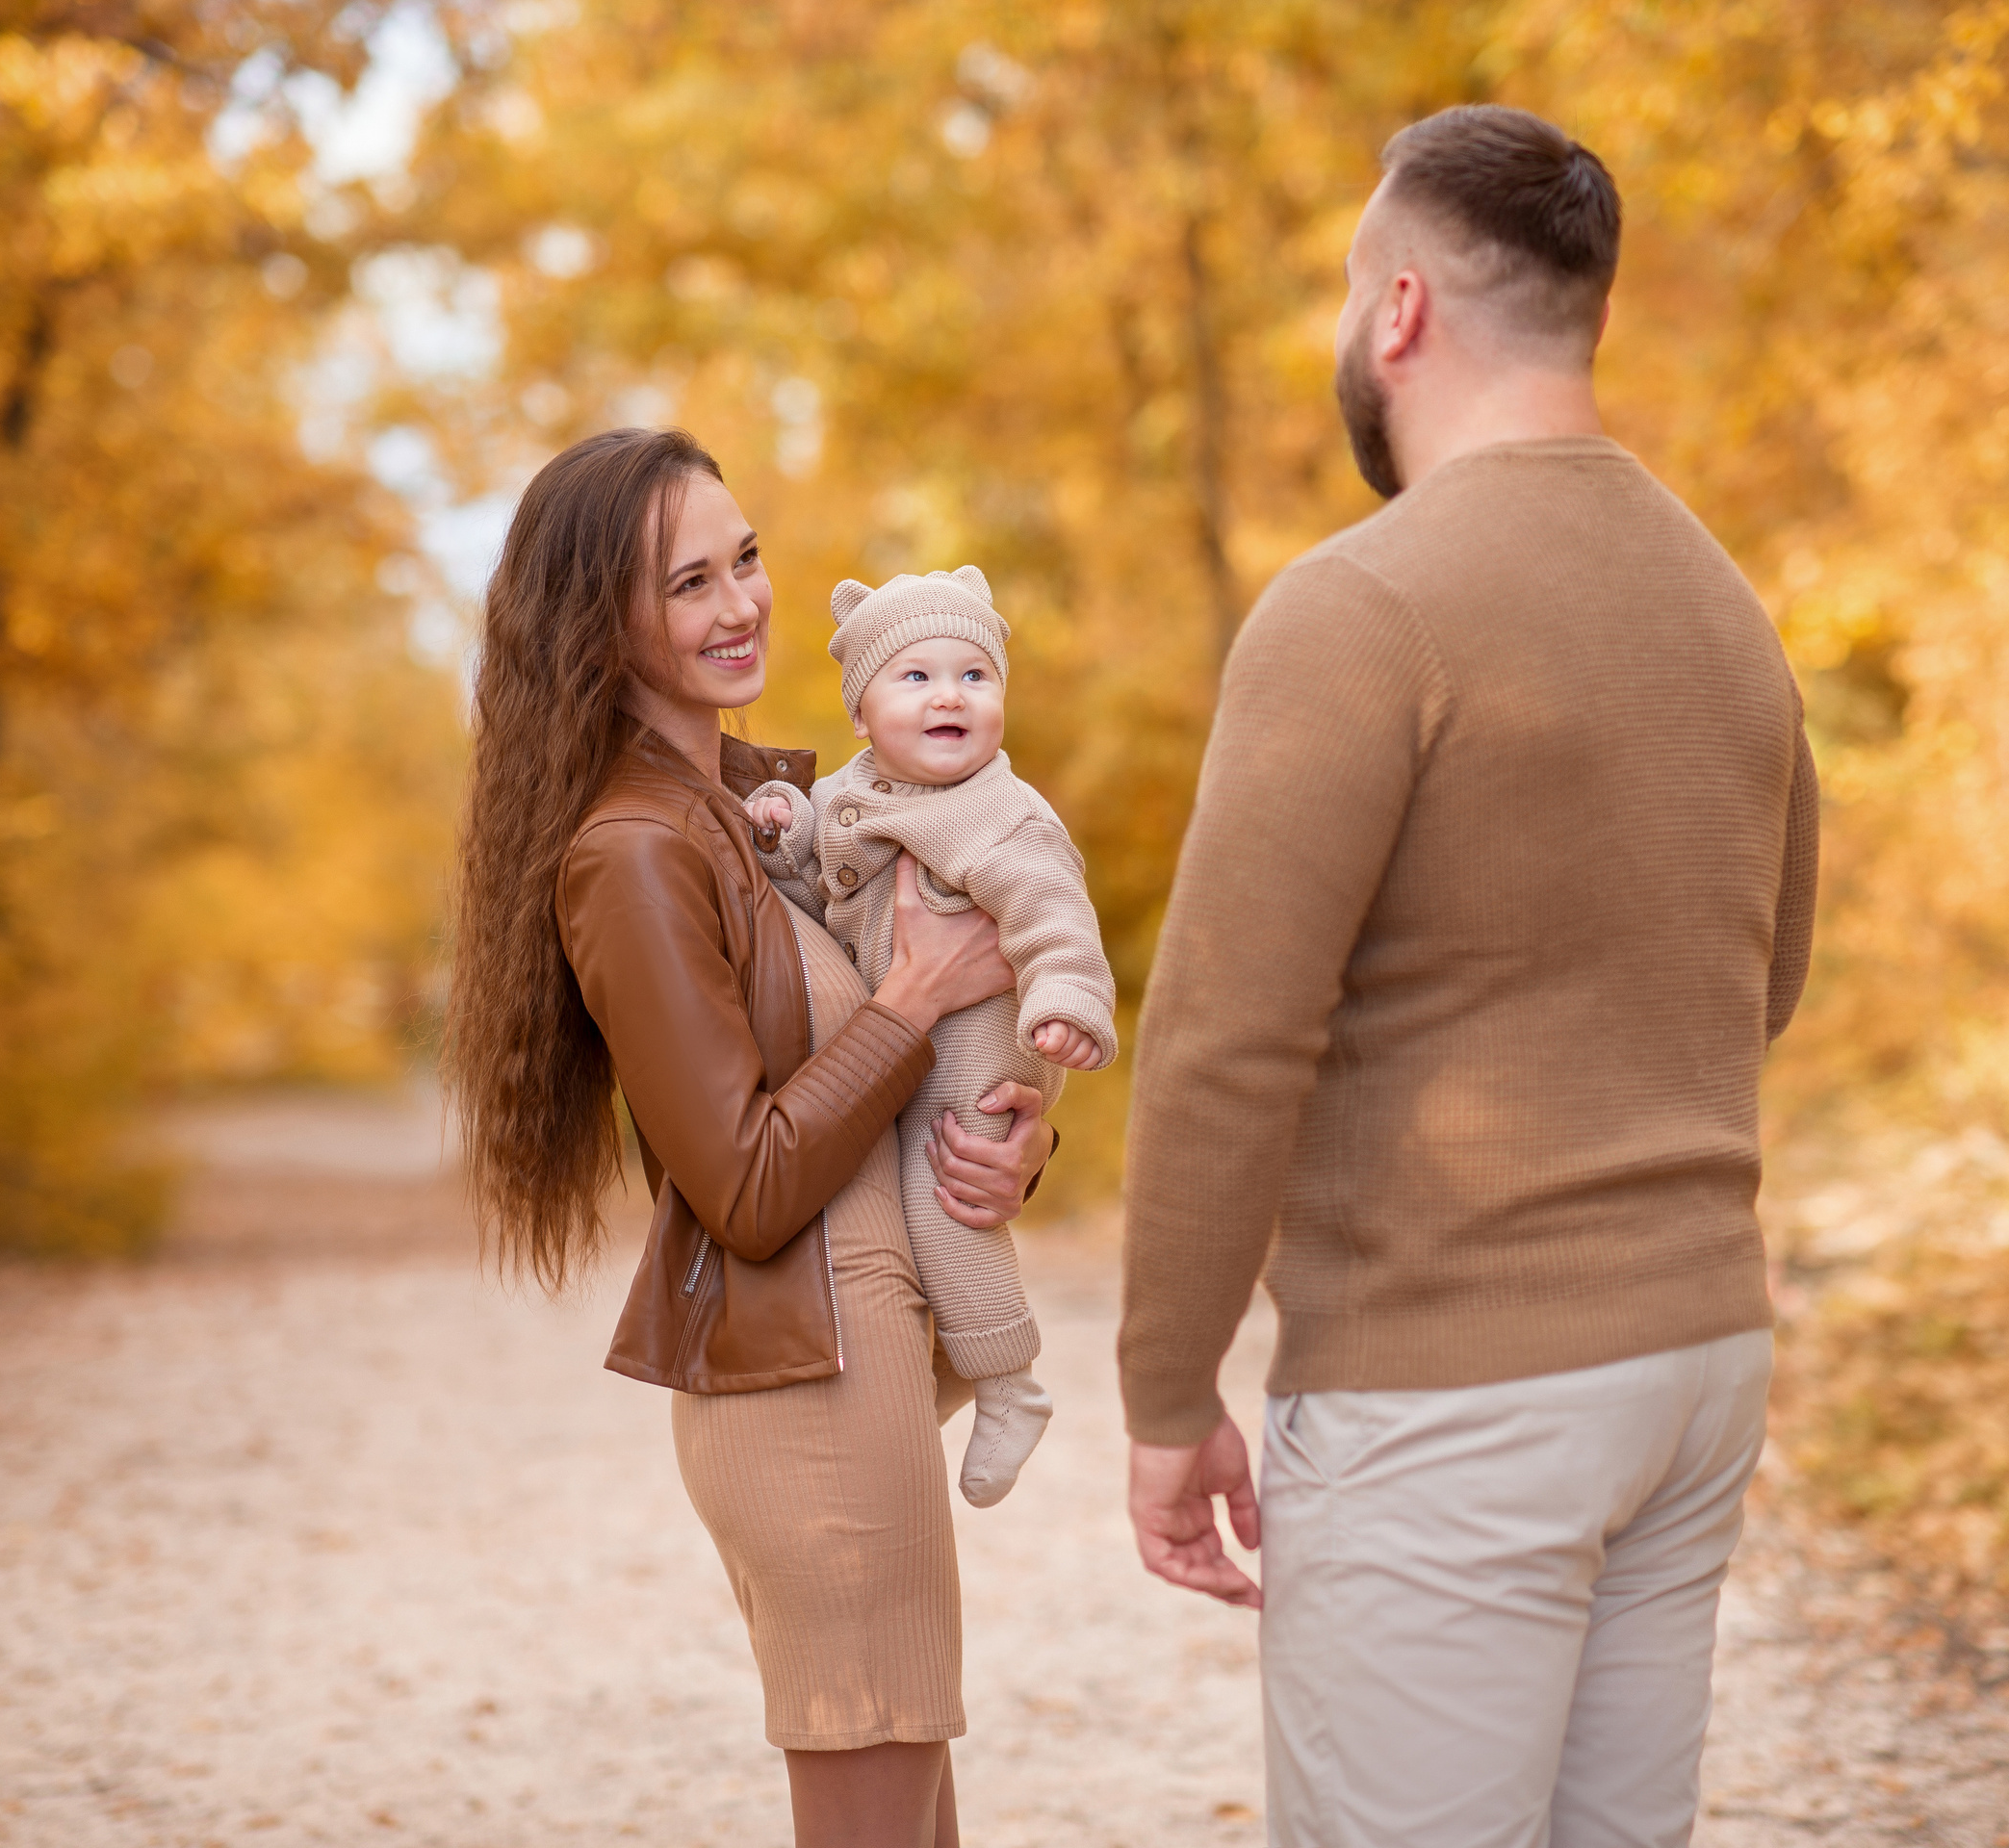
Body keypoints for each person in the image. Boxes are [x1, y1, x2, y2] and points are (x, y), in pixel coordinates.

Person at [1116, 105, 1820, 1847]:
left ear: (1404, 311)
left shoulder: (1361, 609)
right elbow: (1766, 975)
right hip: (1696, 1362)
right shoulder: (1729, 606)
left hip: (1449, 1391)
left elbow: (1224, 1042)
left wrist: (1164, 1390)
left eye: (1354, 287)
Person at [446, 426, 1056, 1848]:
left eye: (748, 560)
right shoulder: (634, 854)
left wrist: (1011, 1142)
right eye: (688, 584)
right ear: (602, 624)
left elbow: (904, 1072)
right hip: (803, 1381)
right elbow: (745, 1183)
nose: (741, 607)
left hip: (866, 1362)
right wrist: (911, 998)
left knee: (916, 1820)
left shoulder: (767, 813)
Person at [746, 564, 1117, 1509]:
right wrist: (782, 833)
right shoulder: (850, 793)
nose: (948, 694)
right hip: (896, 1050)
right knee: (906, 1220)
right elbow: (812, 889)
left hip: (979, 1057)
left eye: (973, 676)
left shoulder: (1003, 814)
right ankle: (945, 1374)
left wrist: (1068, 1002)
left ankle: (1008, 1385)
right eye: (915, 677)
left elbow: (1056, 919)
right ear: (862, 714)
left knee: (943, 1204)